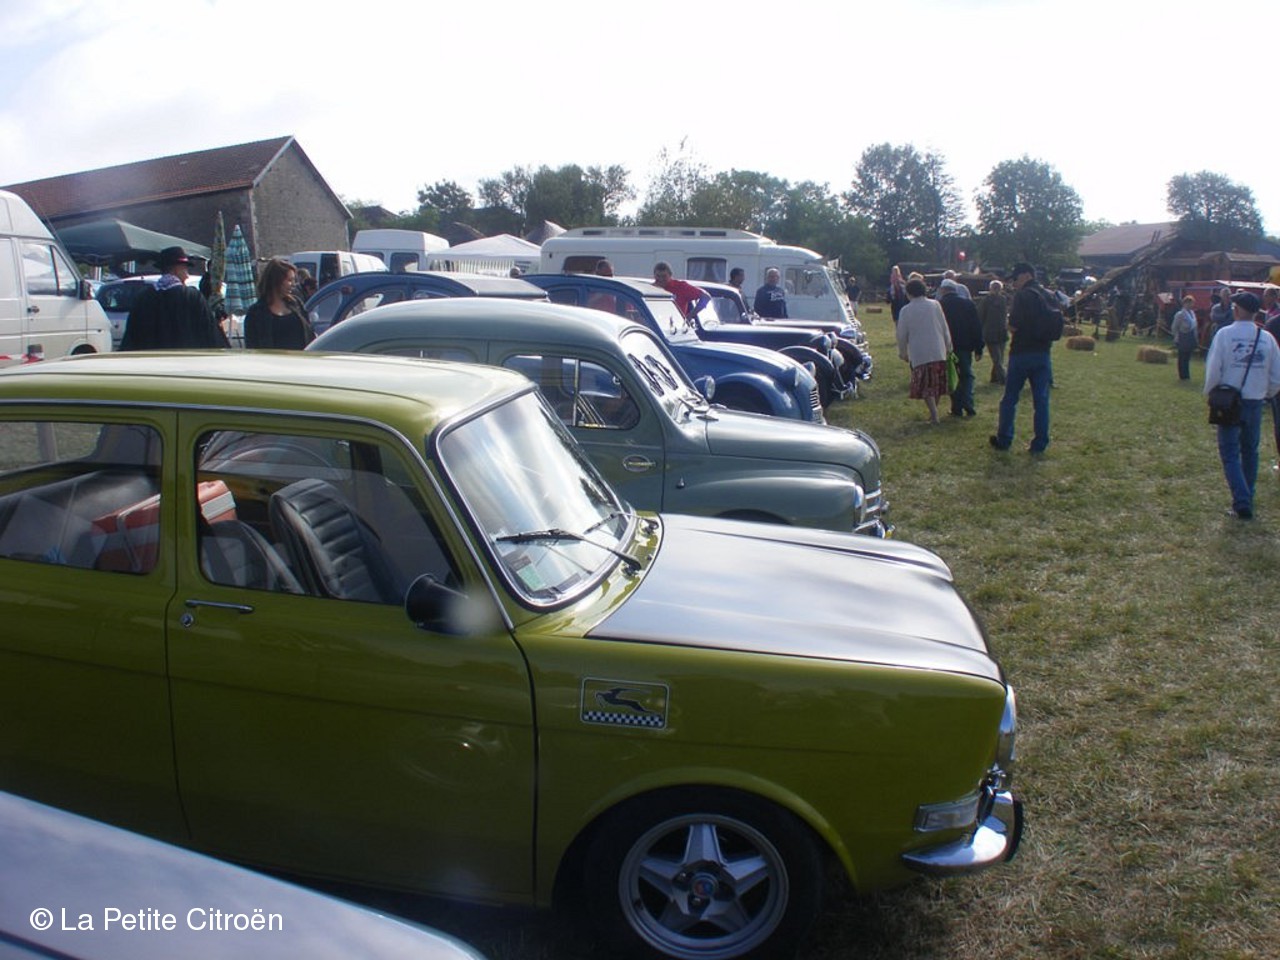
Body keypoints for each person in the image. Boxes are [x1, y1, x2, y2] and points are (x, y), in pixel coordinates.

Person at [1203, 291, 1280, 519]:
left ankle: (1242, 500)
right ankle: (1248, 495)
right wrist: (1265, 393)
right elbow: (1276, 376)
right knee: (1250, 451)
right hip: (1255, 401)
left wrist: (1211, 392)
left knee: (1229, 452)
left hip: (1229, 401)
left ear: (1236, 310)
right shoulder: (1267, 338)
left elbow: (1214, 368)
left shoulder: (1225, 335)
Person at [990, 262, 1056, 453]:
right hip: (1043, 352)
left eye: (1016, 278)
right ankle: (1040, 443)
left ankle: (1004, 439)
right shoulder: (1049, 295)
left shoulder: (1023, 296)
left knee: (1010, 399)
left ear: (1027, 275)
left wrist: (1008, 324)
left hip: (1022, 353)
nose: (1014, 283)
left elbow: (1014, 326)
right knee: (1041, 401)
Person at [120, 247, 229, 351]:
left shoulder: (144, 297)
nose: (187, 276)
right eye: (185, 269)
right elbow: (211, 334)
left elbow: (131, 337)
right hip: (184, 359)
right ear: (176, 269)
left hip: (151, 360)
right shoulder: (192, 297)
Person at [895, 276, 952, 424]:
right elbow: (944, 327)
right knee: (937, 384)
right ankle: (934, 412)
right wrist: (948, 345)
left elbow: (901, 334)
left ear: (909, 293)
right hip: (938, 349)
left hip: (920, 352)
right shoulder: (935, 305)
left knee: (925, 385)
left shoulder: (906, 310)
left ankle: (934, 414)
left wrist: (903, 352)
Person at [243, 257, 315, 350]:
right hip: (271, 359)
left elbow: (309, 334)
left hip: (299, 358)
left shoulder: (296, 304)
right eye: (290, 280)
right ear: (277, 281)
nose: (293, 284)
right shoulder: (256, 312)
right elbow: (252, 346)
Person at [939, 279, 983, 417]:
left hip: (946, 347)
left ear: (943, 290)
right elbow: (976, 326)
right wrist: (979, 347)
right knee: (967, 375)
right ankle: (968, 403)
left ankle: (956, 407)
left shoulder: (939, 305)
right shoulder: (968, 304)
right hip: (965, 346)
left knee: (952, 376)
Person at [977, 279, 1009, 384]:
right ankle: (1003, 379)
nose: (996, 290)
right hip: (990, 333)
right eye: (994, 288)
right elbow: (980, 317)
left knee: (1000, 357)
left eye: (998, 288)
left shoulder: (1003, 299)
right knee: (997, 358)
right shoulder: (986, 301)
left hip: (1002, 332)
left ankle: (994, 378)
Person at [1170, 295, 1199, 381]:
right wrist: (1176, 336)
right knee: (1182, 356)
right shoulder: (1180, 314)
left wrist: (1196, 337)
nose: (1190, 305)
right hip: (1182, 336)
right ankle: (1182, 375)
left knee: (1187, 356)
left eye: (1191, 303)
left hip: (1190, 336)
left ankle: (1186, 374)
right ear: (1184, 303)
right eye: (1188, 303)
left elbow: (1195, 326)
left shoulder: (1192, 314)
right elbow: (1174, 327)